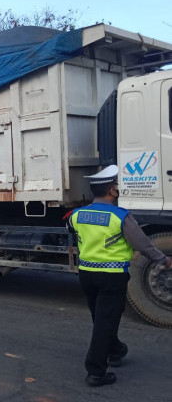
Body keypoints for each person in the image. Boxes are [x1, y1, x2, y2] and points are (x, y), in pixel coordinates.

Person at [68, 165, 171, 387]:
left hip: (86, 274)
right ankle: (95, 371)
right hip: (111, 276)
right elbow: (142, 244)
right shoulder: (120, 217)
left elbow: (71, 229)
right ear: (111, 191)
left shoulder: (77, 215)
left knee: (101, 317)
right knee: (105, 320)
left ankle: (115, 350)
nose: (118, 189)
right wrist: (163, 259)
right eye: (116, 186)